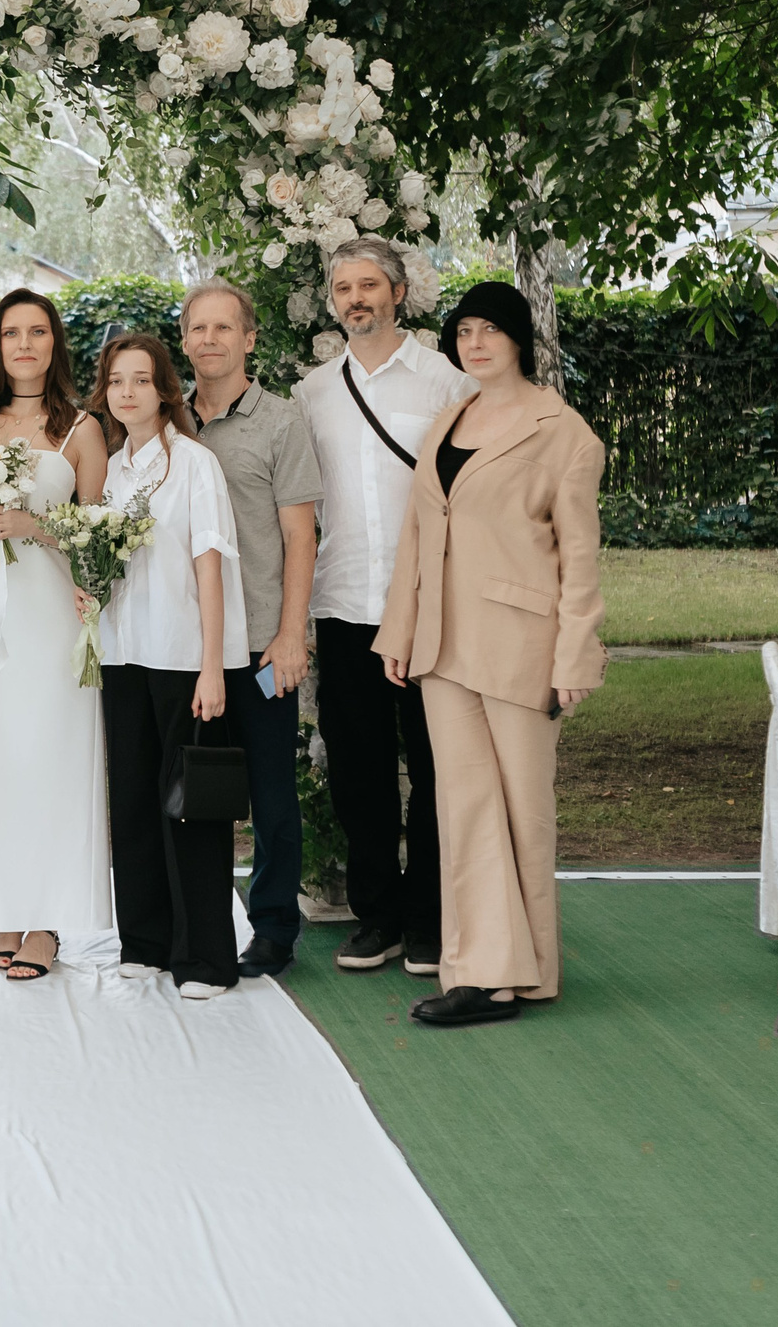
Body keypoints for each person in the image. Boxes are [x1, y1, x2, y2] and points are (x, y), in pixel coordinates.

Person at [377, 281, 606, 1027]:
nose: (474, 343)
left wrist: (575, 656)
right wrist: (400, 631)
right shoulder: (450, 420)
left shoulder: (564, 433)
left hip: (521, 645)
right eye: (464, 331)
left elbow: (580, 557)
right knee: (465, 805)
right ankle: (483, 976)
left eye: (489, 330)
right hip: (442, 646)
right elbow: (419, 534)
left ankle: (529, 970)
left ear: (518, 338)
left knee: (524, 812)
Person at [293, 236, 478, 979]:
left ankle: (432, 920)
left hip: (431, 608)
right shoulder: (312, 394)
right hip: (343, 606)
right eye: (344, 288)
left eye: (369, 285)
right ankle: (378, 918)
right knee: (359, 771)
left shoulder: (444, 382)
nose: (356, 299)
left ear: (399, 292)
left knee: (436, 768)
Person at [0, 289, 114, 980]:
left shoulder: (81, 429)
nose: (24, 343)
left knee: (51, 758)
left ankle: (47, 919)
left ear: (54, 343)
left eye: (37, 331)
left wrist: (32, 526)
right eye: (12, 332)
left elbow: (98, 536)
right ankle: (6, 907)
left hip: (51, 615)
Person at [92, 331, 250, 1001]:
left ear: (164, 390)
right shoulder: (111, 469)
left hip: (184, 656)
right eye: (115, 380)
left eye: (139, 379)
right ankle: (147, 941)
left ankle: (207, 958)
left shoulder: (192, 464)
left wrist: (213, 665)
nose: (125, 391)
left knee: (190, 808)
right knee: (130, 800)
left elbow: (207, 565)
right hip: (123, 654)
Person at [179, 280, 323, 979]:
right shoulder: (166, 419)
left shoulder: (281, 422)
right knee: (192, 788)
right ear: (184, 340)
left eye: (223, 328)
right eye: (197, 328)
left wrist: (292, 633)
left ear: (249, 338)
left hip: (262, 638)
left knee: (270, 793)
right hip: (185, 645)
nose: (209, 339)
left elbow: (301, 536)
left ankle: (272, 928)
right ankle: (195, 919)